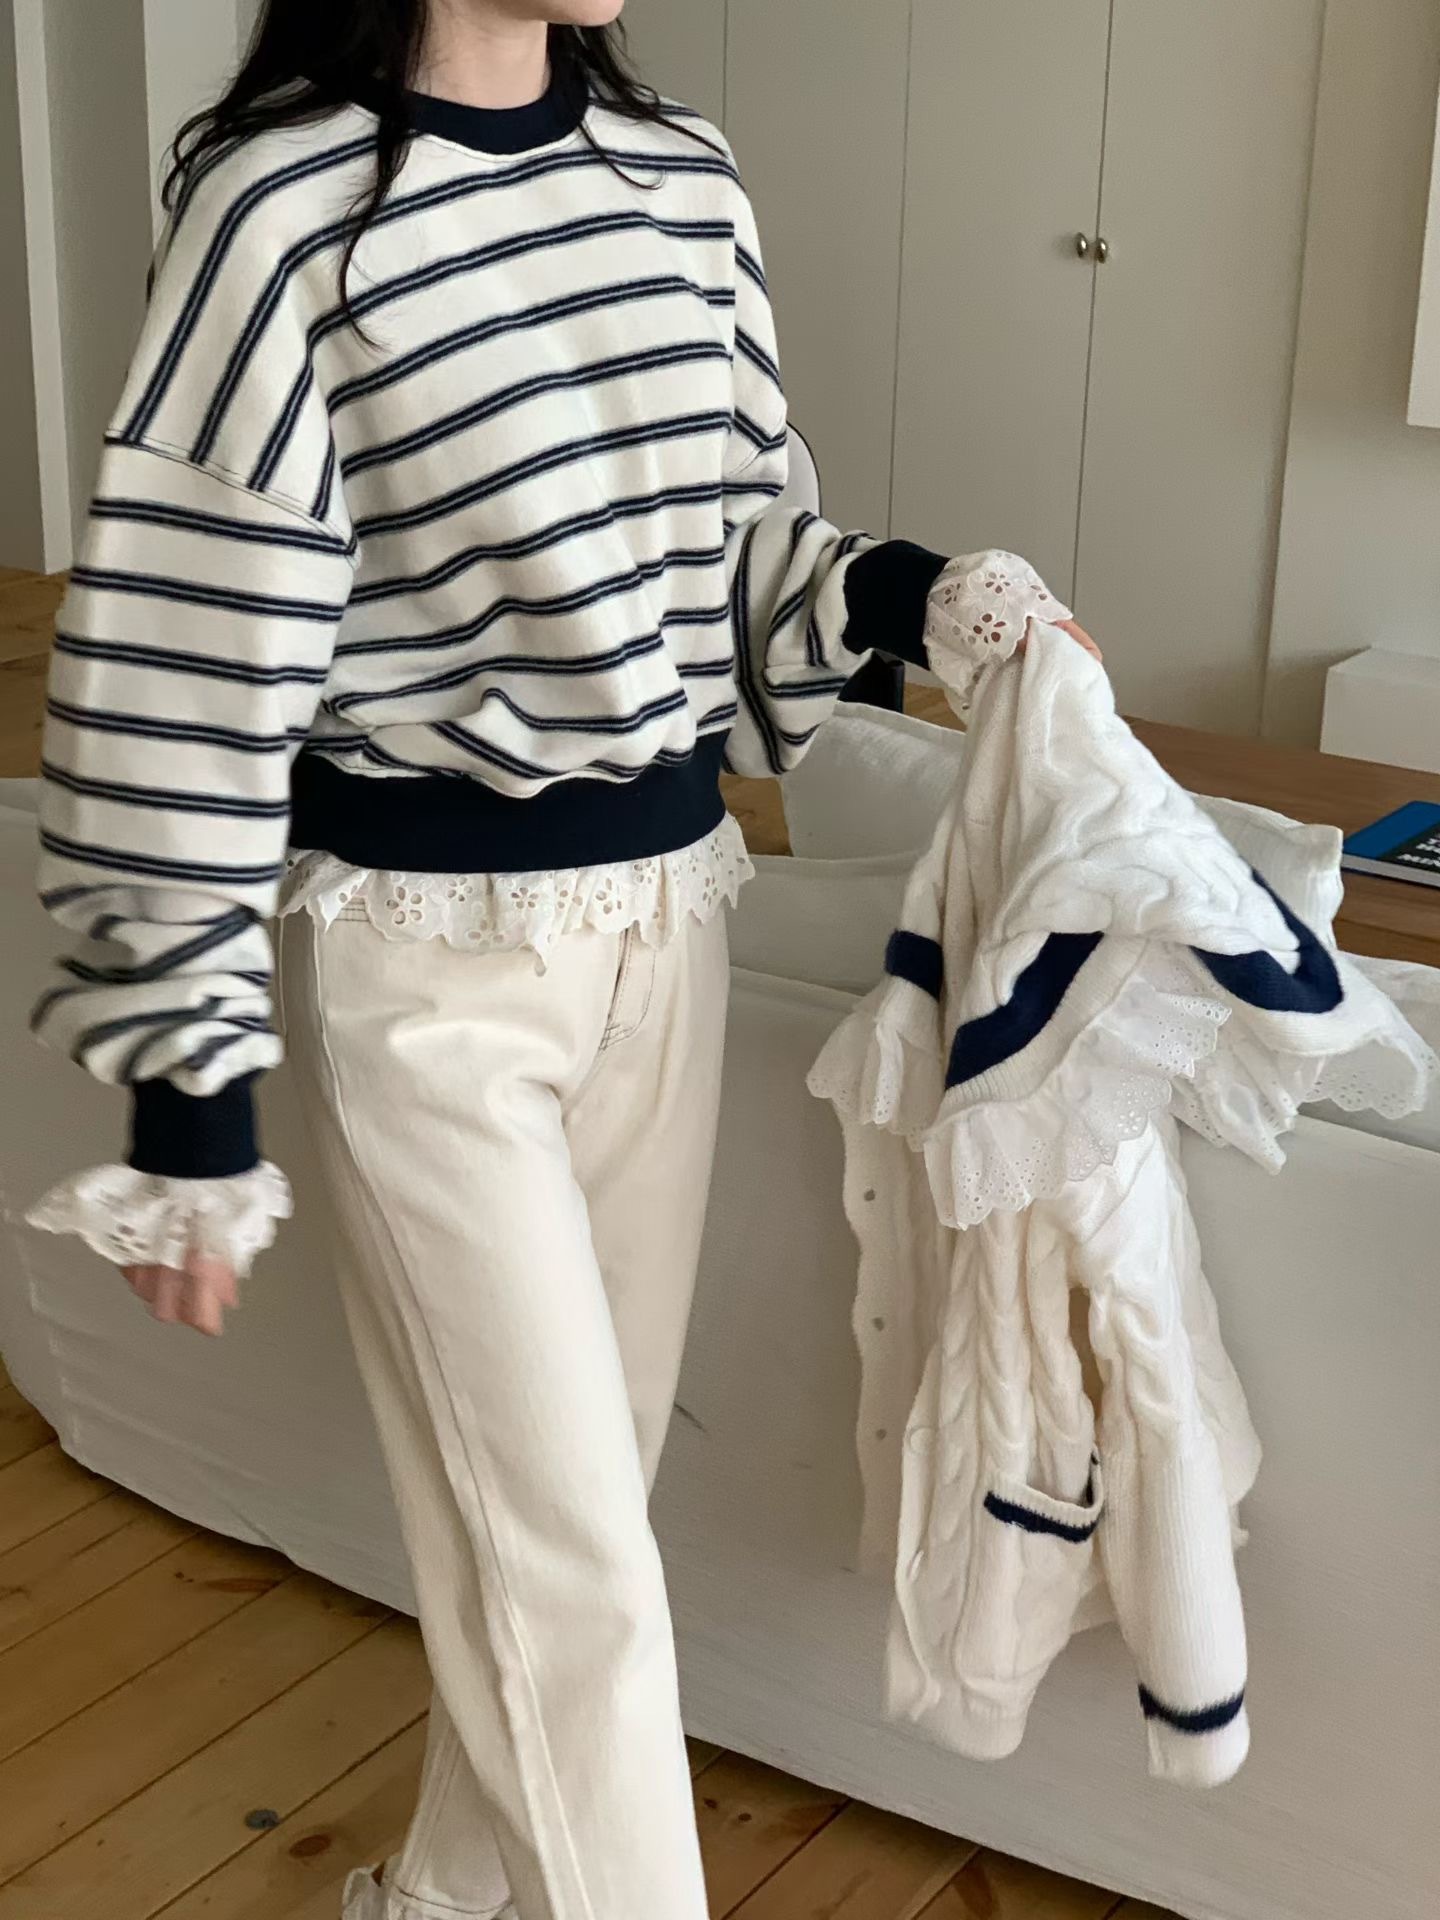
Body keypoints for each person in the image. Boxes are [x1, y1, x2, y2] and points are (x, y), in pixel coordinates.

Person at [28, 3, 1099, 1915]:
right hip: (424, 972)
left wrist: (923, 594)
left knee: (565, 1523)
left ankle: (446, 1896)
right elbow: (186, 652)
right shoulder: (283, 210)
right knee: (567, 1570)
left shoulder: (681, 180)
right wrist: (189, 1091)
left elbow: (741, 546)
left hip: (668, 926)